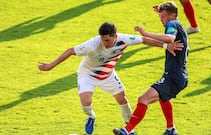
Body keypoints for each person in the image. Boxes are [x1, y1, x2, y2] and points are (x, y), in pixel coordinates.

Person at [38, 22, 184, 135]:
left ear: (115, 36)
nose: (104, 43)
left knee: (122, 99)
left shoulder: (124, 39)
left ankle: (129, 130)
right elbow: (70, 51)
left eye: (107, 40)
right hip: (87, 74)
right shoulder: (92, 44)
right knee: (86, 101)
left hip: (108, 74)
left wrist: (166, 46)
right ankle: (91, 116)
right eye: (102, 39)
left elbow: (145, 40)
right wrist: (50, 65)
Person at [113, 2, 188, 135]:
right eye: (160, 17)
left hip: (173, 76)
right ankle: (171, 129)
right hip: (177, 75)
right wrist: (161, 10)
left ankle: (126, 131)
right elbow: (171, 21)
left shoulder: (172, 24)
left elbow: (170, 38)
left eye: (163, 17)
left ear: (172, 15)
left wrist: (145, 33)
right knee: (164, 98)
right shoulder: (178, 24)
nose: (162, 20)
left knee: (143, 99)